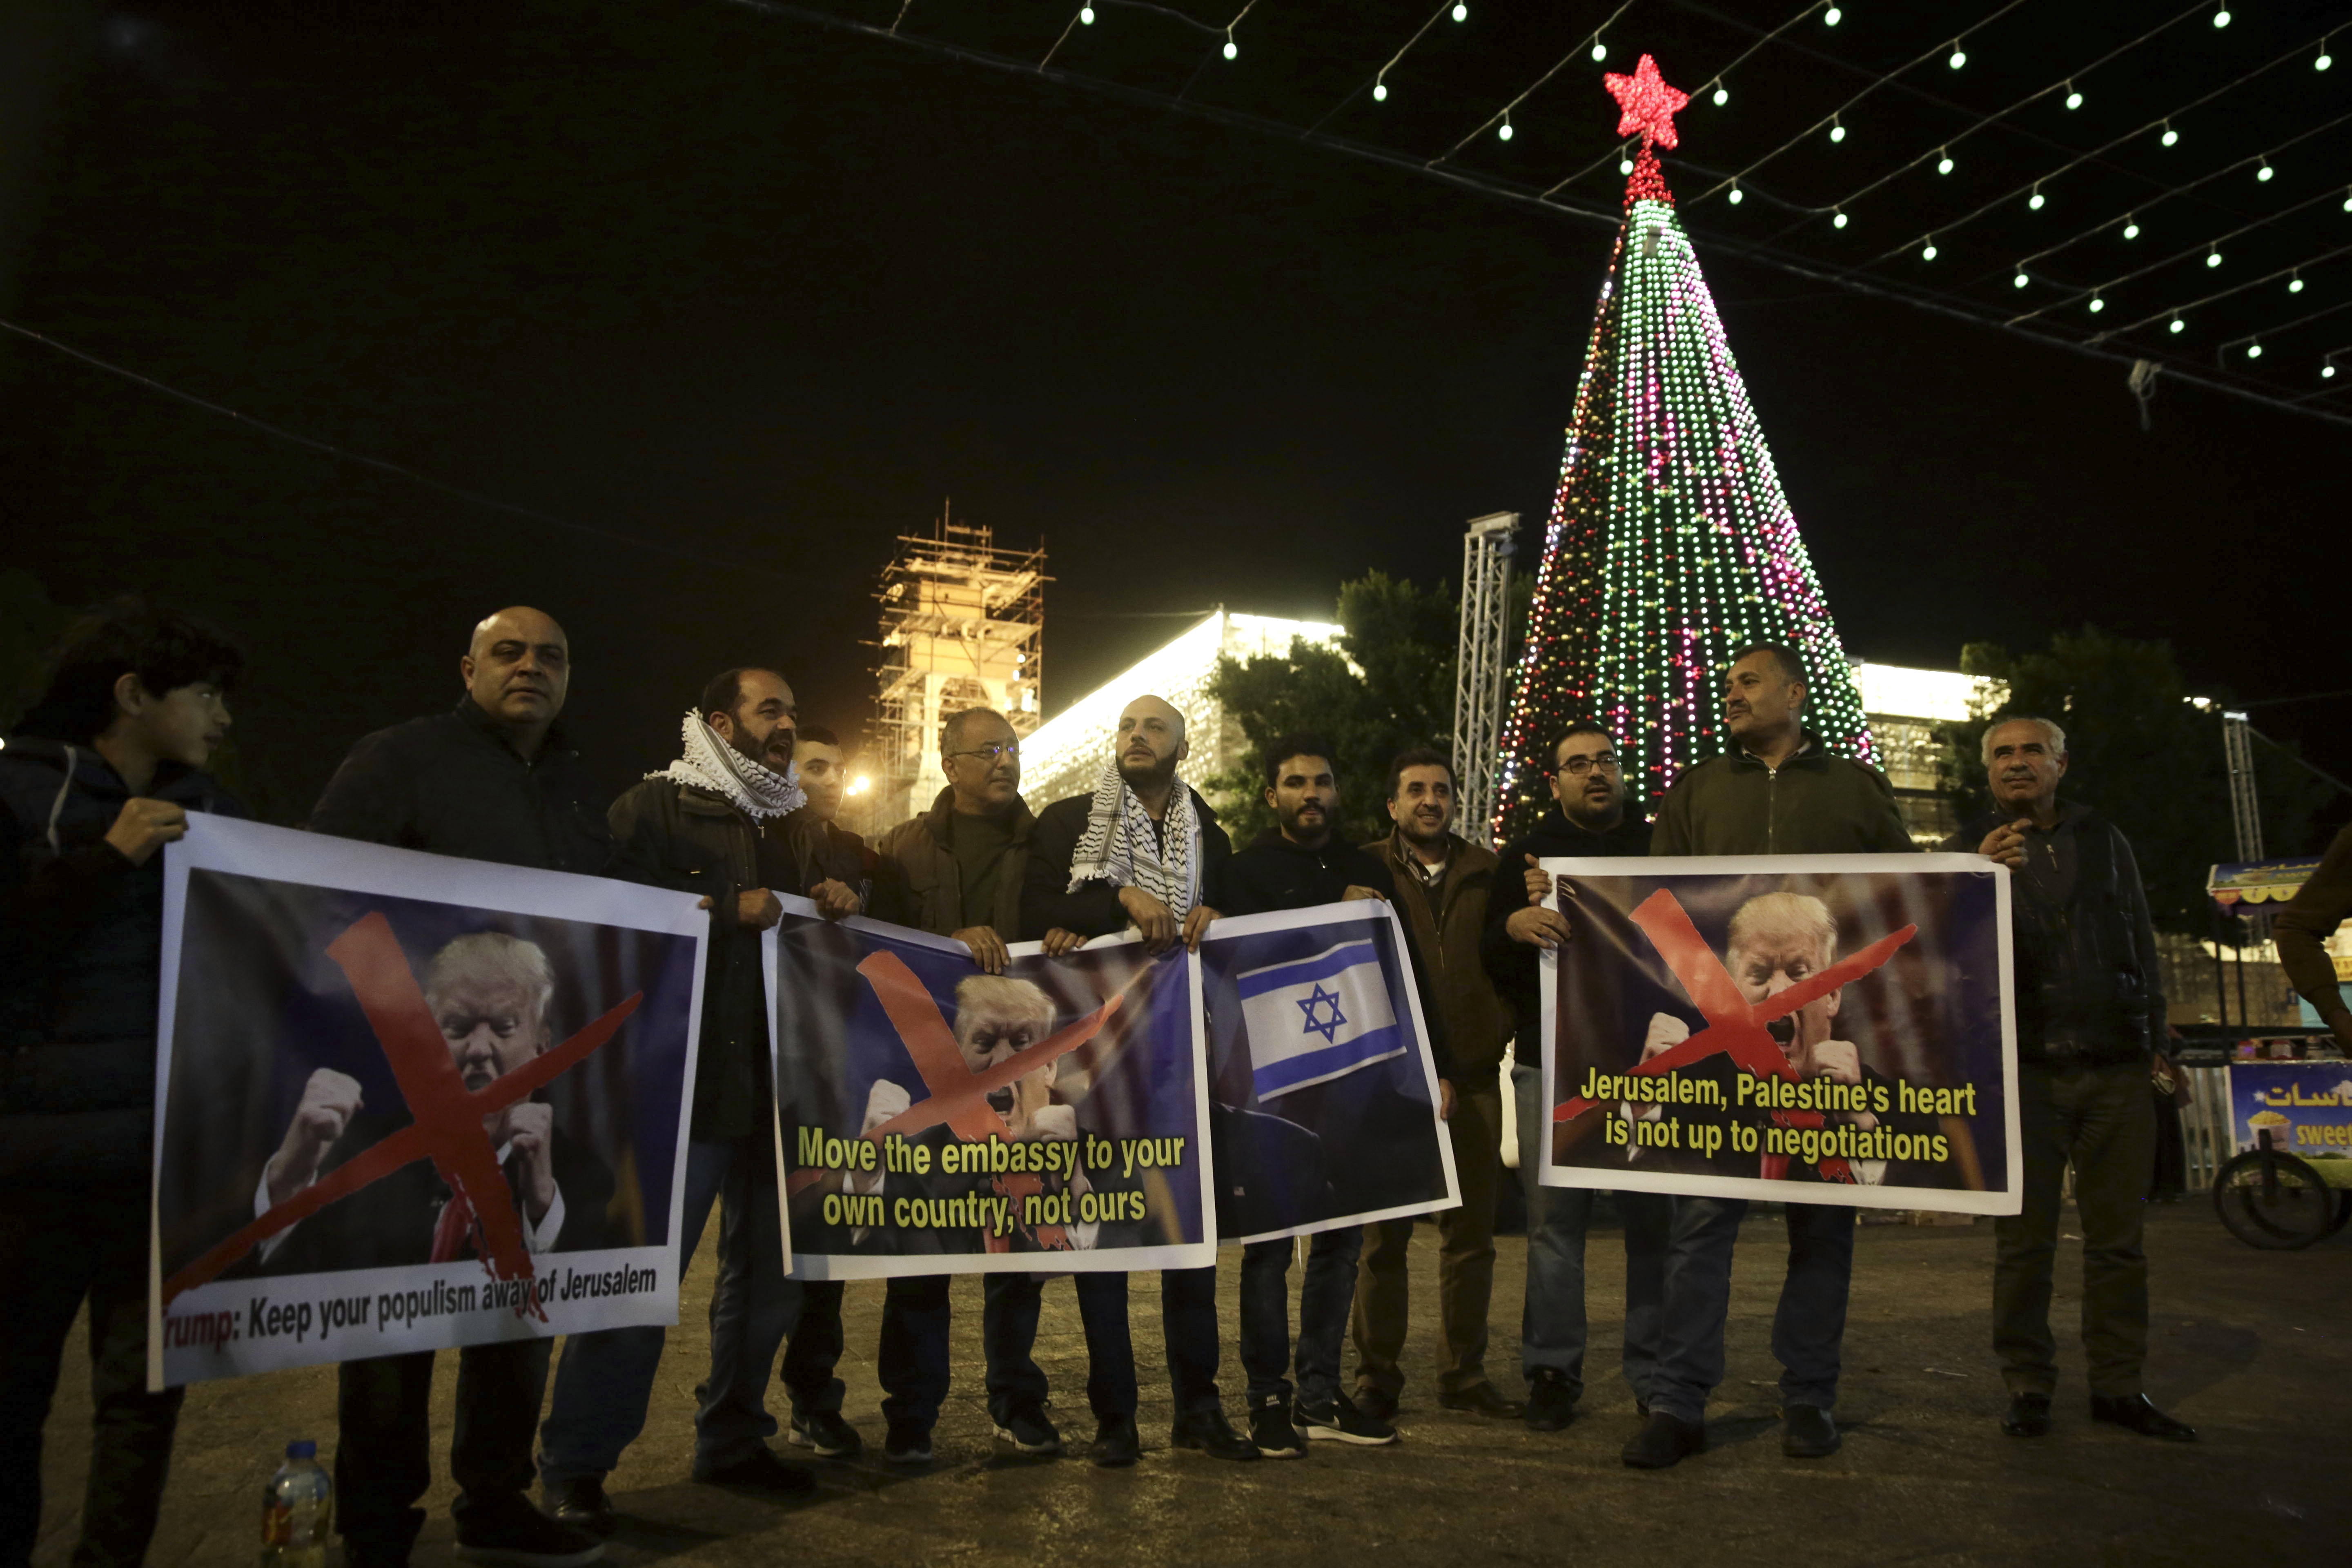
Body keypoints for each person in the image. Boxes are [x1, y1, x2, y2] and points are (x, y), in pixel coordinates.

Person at [305, 606, 610, 1568]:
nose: (531, 668)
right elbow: (322, 888)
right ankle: (376, 1520)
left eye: (551, 656)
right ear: (468, 666)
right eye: (509, 652)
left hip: (526, 1091)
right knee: (398, 1314)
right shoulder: (399, 758)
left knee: (514, 1306)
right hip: (410, 1085)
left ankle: (495, 1497)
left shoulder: (570, 787)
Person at [537, 668, 840, 1534]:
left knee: (768, 1286)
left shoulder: (798, 825)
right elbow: (613, 922)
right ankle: (577, 1465)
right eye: (770, 709)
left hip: (780, 1093)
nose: (787, 724)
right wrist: (717, 912)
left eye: (792, 708)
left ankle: (734, 1439)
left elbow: (815, 930)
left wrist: (840, 901)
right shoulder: (654, 808)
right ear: (720, 722)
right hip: (683, 1088)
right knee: (637, 1281)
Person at [1624, 642, 1913, 1471]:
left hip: (1815, 1088)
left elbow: (1914, 886)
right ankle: (1679, 1404)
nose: (1733, 696)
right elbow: (1646, 896)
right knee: (1700, 1234)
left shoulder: (1854, 788)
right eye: (1728, 687)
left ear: (1794, 691)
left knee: (1824, 1232)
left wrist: (1982, 871)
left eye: (1749, 682)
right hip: (1722, 1071)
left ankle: (1809, 1400)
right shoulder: (1700, 790)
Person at [0, 599, 243, 1568]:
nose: (224, 717)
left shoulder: (217, 816)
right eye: (207, 693)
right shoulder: (20, 793)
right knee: (16, 1394)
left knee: (142, 1400)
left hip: (162, 1161)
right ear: (133, 693)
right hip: (33, 1161)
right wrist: (107, 861)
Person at [868, 708, 1145, 1466]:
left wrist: (1075, 930)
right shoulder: (903, 848)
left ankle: (1015, 1404)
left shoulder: (1050, 842)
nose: (1005, 761)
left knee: (1016, 1253)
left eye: (1013, 749)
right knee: (921, 1259)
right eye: (988, 750)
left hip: (1020, 1083)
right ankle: (911, 1416)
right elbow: (875, 940)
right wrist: (946, 944)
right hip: (937, 1079)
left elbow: (1088, 902)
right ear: (948, 762)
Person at [1021, 694, 1258, 1463]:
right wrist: (1117, 897)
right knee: (1107, 1239)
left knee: (1189, 1242)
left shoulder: (1210, 831)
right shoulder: (1067, 822)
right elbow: (1037, 905)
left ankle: (1199, 1408)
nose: (1137, 736)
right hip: (1098, 1068)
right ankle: (1114, 1418)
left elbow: (1234, 913)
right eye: (1128, 726)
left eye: (1155, 727)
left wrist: (1213, 912)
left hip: (1186, 1063)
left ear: (1181, 748)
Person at [1947, 717, 2193, 1443]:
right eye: (2002, 754)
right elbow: (1936, 954)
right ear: (1987, 771)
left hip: (2117, 1068)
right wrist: (1971, 879)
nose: (2016, 764)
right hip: (2022, 1074)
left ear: (2060, 763)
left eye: (2031, 751)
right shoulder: (1966, 848)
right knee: (2025, 1245)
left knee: (2120, 1244)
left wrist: (2156, 1045)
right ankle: (2027, 1384)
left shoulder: (2105, 841)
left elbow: (2141, 945)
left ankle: (2120, 1387)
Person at [1216, 733, 1454, 1456]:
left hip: (1356, 1089)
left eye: (1321, 781)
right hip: (1270, 1095)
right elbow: (1230, 965)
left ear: (1338, 793)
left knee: (1342, 1247)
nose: (1310, 794)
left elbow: (1405, 971)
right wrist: (1331, 903)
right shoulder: (1241, 872)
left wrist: (1433, 1065)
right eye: (1295, 783)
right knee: (1268, 1253)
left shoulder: (1366, 867)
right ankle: (1267, 1401)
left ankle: (1320, 1396)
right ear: (1272, 796)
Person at [1480, 722, 1671, 1434]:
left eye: (1606, 760)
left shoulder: (1662, 844)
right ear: (1553, 780)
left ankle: (1656, 1376)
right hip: (1552, 1060)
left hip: (1652, 1064)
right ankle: (1553, 1370)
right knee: (1555, 1226)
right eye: (1578, 764)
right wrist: (1515, 922)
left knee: (1653, 1220)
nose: (1596, 772)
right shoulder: (1526, 854)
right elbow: (1488, 953)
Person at [250, 932, 619, 1275]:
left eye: (504, 1026)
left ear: (542, 1048)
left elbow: (581, 1322)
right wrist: (287, 1185)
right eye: (458, 1027)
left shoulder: (581, 1181)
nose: (478, 1049)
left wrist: (540, 1212)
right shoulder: (357, 1159)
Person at [1350, 750, 1521, 1423]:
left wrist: (1498, 1022)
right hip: (1391, 1084)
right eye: (1415, 790)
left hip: (1475, 1077)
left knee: (1471, 1239)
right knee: (1382, 1241)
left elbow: (1511, 952)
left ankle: (1463, 1374)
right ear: (1392, 806)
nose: (1430, 800)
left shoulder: (1489, 871)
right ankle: (1377, 1376)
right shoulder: (1364, 870)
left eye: (1441, 790)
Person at [762, 722, 873, 1461]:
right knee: (758, 1261)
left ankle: (813, 1397)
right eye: (815, 767)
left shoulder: (865, 859)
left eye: (838, 770)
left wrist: (857, 894)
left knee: (824, 1249)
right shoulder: (756, 840)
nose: (829, 781)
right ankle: (732, 1409)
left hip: (836, 1074)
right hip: (761, 1074)